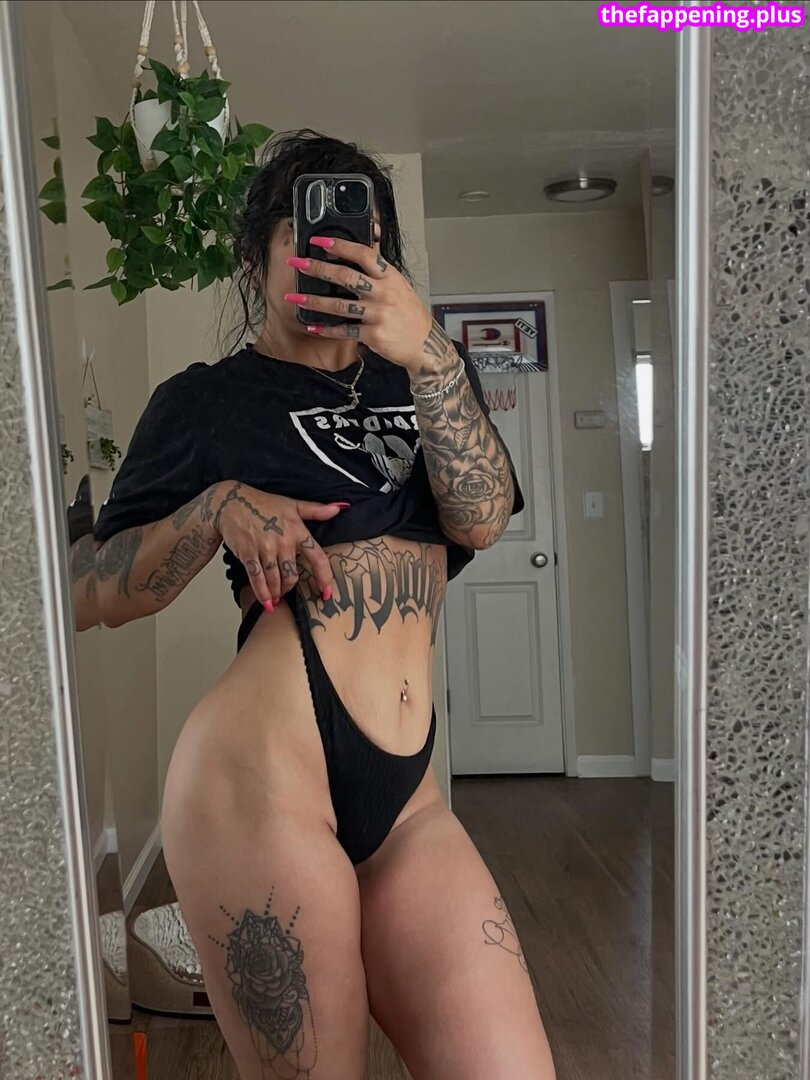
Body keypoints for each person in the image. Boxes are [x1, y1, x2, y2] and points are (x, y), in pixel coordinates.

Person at [90, 130, 556, 1080]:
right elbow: (90, 587)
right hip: (258, 782)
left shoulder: (428, 377)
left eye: (364, 238)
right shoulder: (206, 401)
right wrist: (216, 508)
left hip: (409, 805)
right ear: (256, 259)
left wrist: (432, 354)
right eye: (312, 236)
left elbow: (481, 520)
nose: (343, 255)